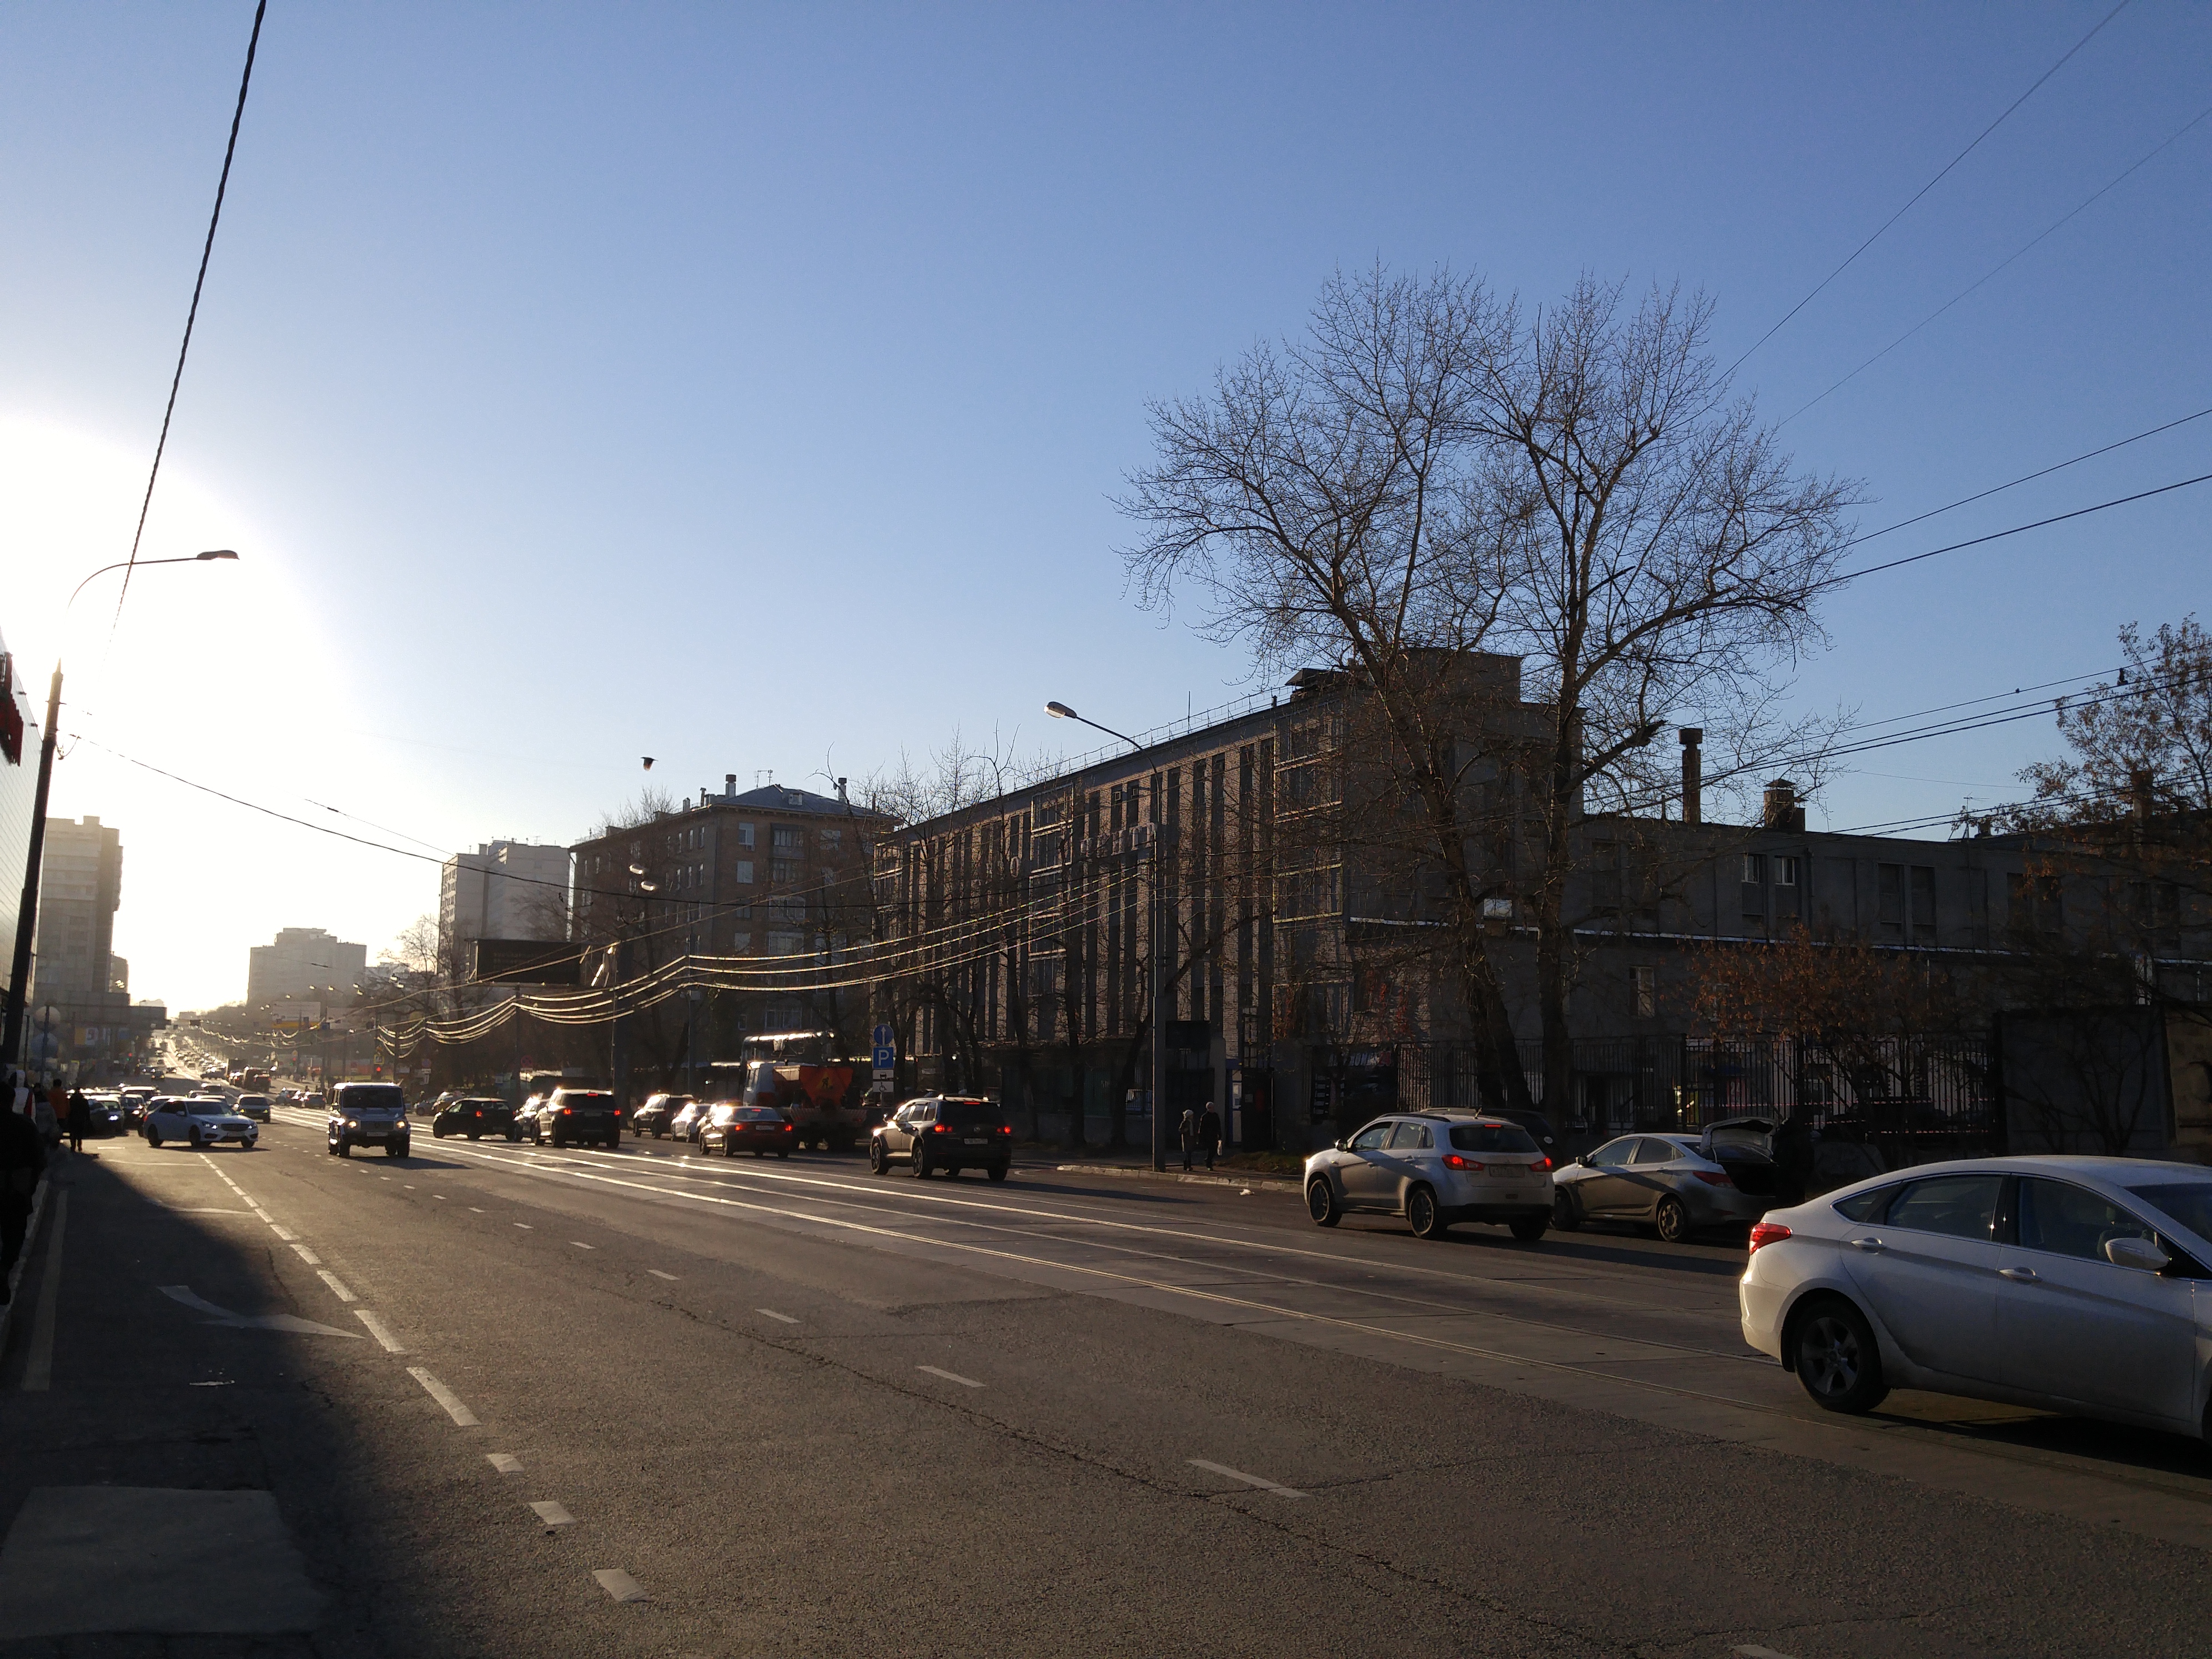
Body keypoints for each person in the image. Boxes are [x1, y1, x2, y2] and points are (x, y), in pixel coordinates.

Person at [1, 1095, 47, 1302]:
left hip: (15, 1189)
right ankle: (4, 1269)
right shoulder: (25, 1126)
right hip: (16, 1192)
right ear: (11, 1102)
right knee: (14, 1236)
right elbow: (39, 1160)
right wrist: (29, 1187)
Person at [66, 1087, 91, 1155]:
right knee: (80, 1134)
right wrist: (88, 1119)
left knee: (73, 1133)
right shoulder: (83, 1101)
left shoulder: (71, 1100)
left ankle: (73, 1146)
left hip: (72, 1119)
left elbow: (68, 1109)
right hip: (81, 1119)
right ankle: (79, 1145)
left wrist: (67, 1117)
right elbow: (87, 1110)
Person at [1199, 1103, 1221, 1171]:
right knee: (1210, 1149)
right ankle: (1209, 1164)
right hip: (1207, 1136)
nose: (1212, 1109)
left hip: (1214, 1135)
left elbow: (1218, 1126)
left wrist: (1220, 1134)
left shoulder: (1215, 1116)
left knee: (1214, 1150)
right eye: (1211, 1108)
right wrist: (1201, 1137)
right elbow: (1202, 1127)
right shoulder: (1205, 1116)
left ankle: (1208, 1160)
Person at [1178, 1104, 1199, 1172]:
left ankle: (1186, 1166)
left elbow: (1195, 1130)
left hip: (1191, 1138)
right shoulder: (1185, 1122)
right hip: (1186, 1139)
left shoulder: (1193, 1122)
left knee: (1189, 1153)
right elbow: (1180, 1130)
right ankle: (1188, 1166)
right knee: (1188, 1153)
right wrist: (1185, 1130)